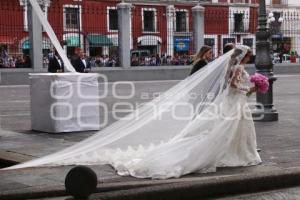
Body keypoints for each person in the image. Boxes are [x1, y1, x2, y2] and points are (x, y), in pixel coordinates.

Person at [4, 45, 262, 180]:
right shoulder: (236, 71)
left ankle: (235, 152)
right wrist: (254, 88)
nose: (248, 61)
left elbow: (228, 86)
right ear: (243, 58)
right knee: (223, 132)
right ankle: (235, 154)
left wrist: (250, 87)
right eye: (247, 57)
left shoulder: (228, 67)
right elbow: (236, 88)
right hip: (235, 104)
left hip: (230, 105)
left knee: (220, 131)